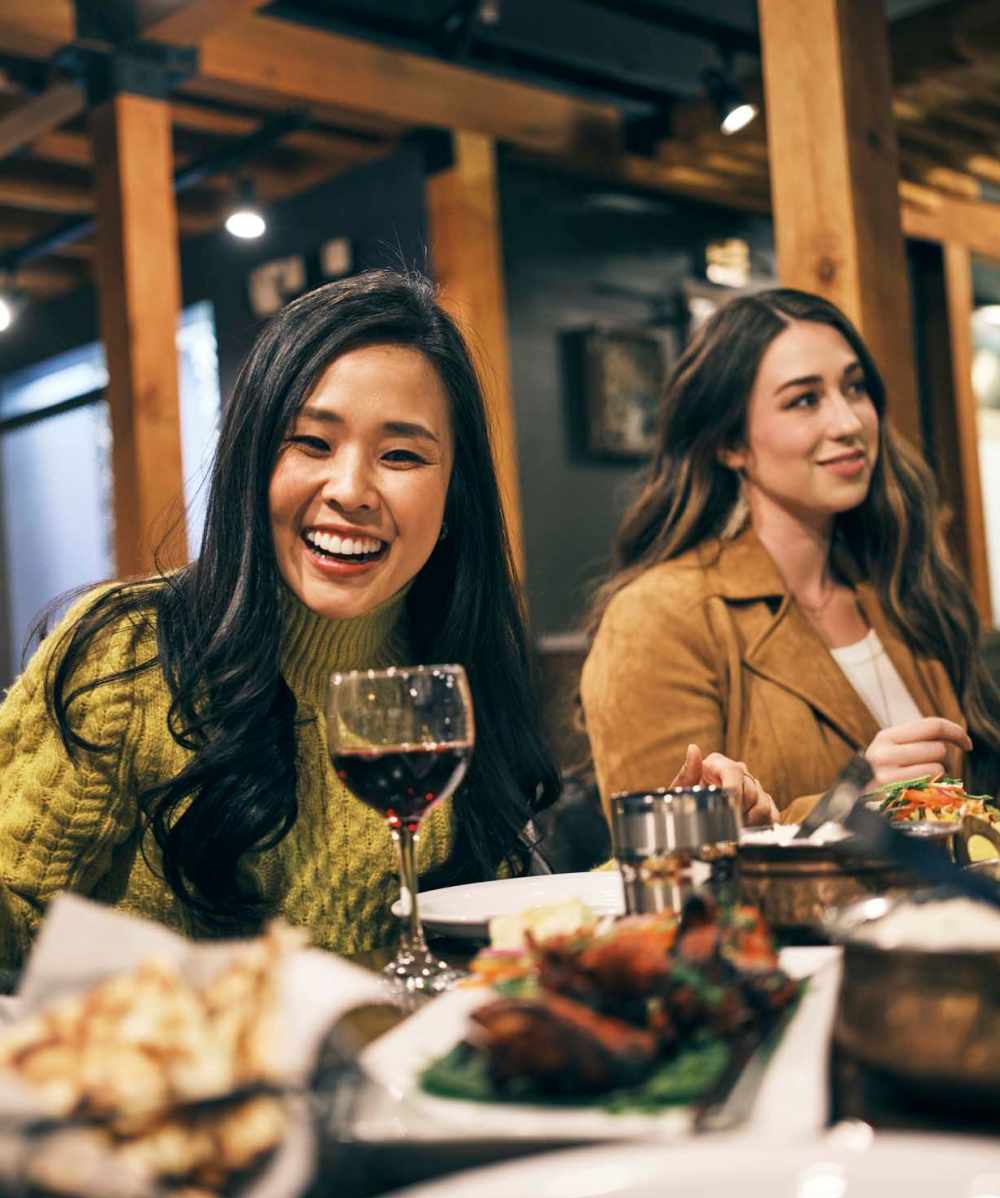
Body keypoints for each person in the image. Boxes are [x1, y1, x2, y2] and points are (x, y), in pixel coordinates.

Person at [0, 269, 560, 967]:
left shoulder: (451, 674)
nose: (351, 490)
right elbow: (14, 917)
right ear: (251, 463)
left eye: (401, 455)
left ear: (453, 496)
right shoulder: (133, 650)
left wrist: (688, 866)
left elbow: (515, 935)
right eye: (312, 444)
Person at [581, 287, 1000, 826]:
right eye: (805, 399)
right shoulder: (659, 617)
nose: (848, 423)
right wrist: (854, 802)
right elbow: (665, 857)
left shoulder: (900, 586)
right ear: (730, 444)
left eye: (854, 388)